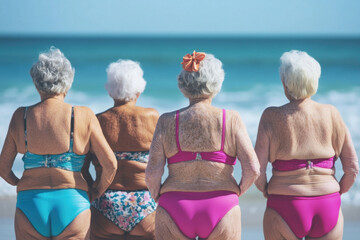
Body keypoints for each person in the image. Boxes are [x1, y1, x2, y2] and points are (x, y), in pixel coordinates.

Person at [0, 47, 117, 239]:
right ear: (68, 82)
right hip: (72, 204)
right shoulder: (83, 115)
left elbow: (3, 168)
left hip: (30, 205)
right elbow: (110, 164)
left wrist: (22, 183)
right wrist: (95, 191)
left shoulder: (20, 116)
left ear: (36, 83)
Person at [145, 51, 260, 240]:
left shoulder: (166, 121)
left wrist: (159, 196)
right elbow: (253, 169)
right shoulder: (231, 119)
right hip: (222, 205)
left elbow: (152, 173)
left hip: (175, 205)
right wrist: (237, 191)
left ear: (183, 83)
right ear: (216, 83)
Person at [255, 50, 359, 240]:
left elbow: (257, 170)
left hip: (285, 205)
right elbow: (352, 168)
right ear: (315, 82)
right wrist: (336, 191)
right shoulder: (332, 114)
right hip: (328, 205)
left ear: (285, 85)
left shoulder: (270, 117)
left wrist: (266, 189)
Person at [82, 59, 159, 240]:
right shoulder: (152, 117)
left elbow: (82, 167)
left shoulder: (97, 120)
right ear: (139, 89)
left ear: (110, 89)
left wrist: (93, 192)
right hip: (145, 203)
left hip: (105, 203)